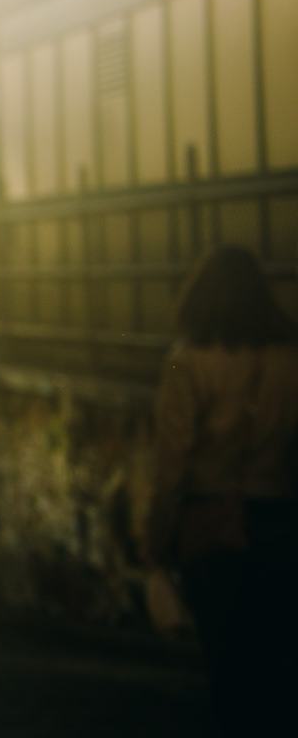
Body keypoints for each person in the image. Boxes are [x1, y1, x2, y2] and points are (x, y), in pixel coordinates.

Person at [147, 245, 298, 735]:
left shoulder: (184, 362)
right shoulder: (290, 357)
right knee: (278, 665)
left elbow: (171, 465)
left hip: (212, 531)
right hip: (280, 523)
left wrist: (158, 540)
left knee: (229, 670)